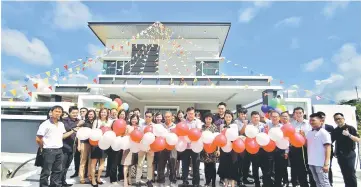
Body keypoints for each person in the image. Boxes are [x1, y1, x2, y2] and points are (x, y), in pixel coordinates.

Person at [36, 105, 78, 187]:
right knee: (46, 172)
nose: (58, 113)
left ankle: (54, 185)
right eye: (56, 111)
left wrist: (73, 131)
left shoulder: (61, 124)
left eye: (60, 112)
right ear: (51, 113)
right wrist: (42, 147)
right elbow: (38, 138)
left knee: (57, 171)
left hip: (59, 150)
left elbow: (62, 136)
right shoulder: (45, 124)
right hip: (49, 150)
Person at [332, 112, 360, 187]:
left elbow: (358, 140)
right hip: (340, 155)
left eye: (339, 118)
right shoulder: (336, 130)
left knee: (350, 173)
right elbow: (332, 141)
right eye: (336, 119)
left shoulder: (350, 128)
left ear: (343, 119)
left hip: (349, 154)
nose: (338, 120)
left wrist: (349, 135)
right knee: (344, 173)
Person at [289, 107, 314, 187]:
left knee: (310, 168)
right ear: (294, 114)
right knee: (300, 169)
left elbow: (313, 135)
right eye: (296, 113)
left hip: (308, 147)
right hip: (296, 149)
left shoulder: (309, 123)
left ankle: (313, 184)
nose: (298, 114)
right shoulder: (292, 124)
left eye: (300, 112)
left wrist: (304, 136)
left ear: (304, 113)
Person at [306, 113, 332, 187]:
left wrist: (326, 164)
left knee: (324, 182)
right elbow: (307, 145)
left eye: (313, 120)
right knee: (317, 182)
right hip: (312, 162)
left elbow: (328, 148)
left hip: (320, 163)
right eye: (310, 120)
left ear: (321, 121)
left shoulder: (324, 133)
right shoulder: (309, 132)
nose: (311, 122)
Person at [61, 106, 84, 186]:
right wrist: (77, 124)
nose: (75, 114)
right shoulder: (64, 120)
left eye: (76, 113)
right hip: (65, 147)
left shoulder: (78, 120)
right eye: (73, 113)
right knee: (62, 166)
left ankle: (63, 182)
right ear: (69, 112)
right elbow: (68, 128)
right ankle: (59, 182)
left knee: (67, 166)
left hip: (73, 147)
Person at [248, 111, 272, 187]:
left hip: (263, 149)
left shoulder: (264, 126)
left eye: (257, 117)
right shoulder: (249, 127)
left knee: (265, 168)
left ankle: (265, 183)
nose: (256, 119)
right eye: (254, 117)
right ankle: (257, 183)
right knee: (255, 168)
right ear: (251, 118)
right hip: (254, 150)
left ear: (259, 117)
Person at [90, 108, 113, 187]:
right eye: (102, 112)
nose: (103, 114)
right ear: (100, 113)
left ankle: (98, 178)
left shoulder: (110, 122)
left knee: (102, 162)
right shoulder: (96, 121)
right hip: (96, 144)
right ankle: (93, 179)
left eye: (105, 112)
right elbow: (93, 132)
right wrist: (100, 127)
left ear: (107, 113)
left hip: (105, 144)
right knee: (94, 163)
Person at [181, 107, 203, 187]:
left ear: (194, 114)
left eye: (192, 113)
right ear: (186, 113)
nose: (191, 115)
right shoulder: (183, 122)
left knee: (196, 165)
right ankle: (185, 181)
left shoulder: (198, 121)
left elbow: (198, 131)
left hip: (195, 147)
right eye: (189, 113)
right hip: (185, 147)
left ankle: (196, 182)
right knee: (184, 165)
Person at [218, 110, 239, 187]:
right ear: (224, 117)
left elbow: (235, 136)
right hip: (224, 148)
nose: (228, 118)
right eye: (226, 116)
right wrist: (218, 149)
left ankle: (232, 183)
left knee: (233, 165)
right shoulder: (221, 126)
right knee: (224, 165)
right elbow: (220, 138)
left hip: (233, 148)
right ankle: (226, 182)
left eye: (229, 116)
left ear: (232, 117)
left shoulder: (235, 125)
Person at [157, 111, 177, 185]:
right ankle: (161, 180)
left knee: (173, 163)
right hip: (162, 147)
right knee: (161, 164)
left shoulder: (175, 126)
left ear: (172, 117)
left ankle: (172, 180)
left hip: (172, 148)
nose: (167, 118)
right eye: (165, 117)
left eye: (168, 116)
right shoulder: (161, 126)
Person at [135, 111, 155, 187]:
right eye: (146, 116)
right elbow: (138, 136)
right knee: (140, 164)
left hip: (151, 148)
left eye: (149, 116)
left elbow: (156, 137)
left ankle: (149, 180)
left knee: (150, 165)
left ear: (152, 117)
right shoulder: (141, 125)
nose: (148, 118)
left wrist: (153, 148)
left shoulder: (154, 126)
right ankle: (137, 180)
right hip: (142, 147)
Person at [234, 108, 253, 186]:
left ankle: (245, 178)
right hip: (240, 145)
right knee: (240, 164)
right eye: (242, 114)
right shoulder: (236, 122)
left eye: (245, 114)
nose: (243, 115)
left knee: (246, 163)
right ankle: (239, 180)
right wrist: (245, 124)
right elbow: (241, 132)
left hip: (247, 145)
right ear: (239, 114)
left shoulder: (248, 122)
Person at [269, 111, 288, 187]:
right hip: (269, 149)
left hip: (280, 149)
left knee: (280, 167)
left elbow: (287, 140)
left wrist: (286, 151)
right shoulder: (267, 126)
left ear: (279, 118)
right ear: (270, 117)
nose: (274, 118)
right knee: (270, 168)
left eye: (276, 116)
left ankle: (279, 183)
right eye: (273, 116)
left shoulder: (282, 127)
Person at [200, 112, 219, 187]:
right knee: (206, 167)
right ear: (204, 119)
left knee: (213, 167)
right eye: (206, 118)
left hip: (213, 149)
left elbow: (218, 139)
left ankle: (213, 182)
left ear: (212, 120)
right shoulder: (202, 127)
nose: (208, 120)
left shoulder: (215, 127)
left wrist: (218, 149)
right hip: (204, 150)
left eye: (209, 119)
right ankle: (207, 181)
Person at [122, 114, 140, 187]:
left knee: (132, 164)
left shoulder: (138, 128)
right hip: (128, 147)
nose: (134, 120)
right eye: (133, 119)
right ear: (130, 119)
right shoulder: (127, 127)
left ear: (138, 120)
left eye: (135, 119)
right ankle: (125, 180)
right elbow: (124, 136)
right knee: (126, 164)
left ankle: (130, 178)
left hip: (136, 148)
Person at [316, 111, 334, 186]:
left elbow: (333, 138)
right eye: (320, 117)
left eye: (323, 117)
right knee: (318, 167)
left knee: (328, 166)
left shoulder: (330, 127)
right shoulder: (314, 127)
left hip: (328, 150)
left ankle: (330, 182)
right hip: (317, 151)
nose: (322, 119)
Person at [71, 107, 89, 178]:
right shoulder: (77, 120)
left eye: (83, 111)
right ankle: (76, 171)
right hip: (76, 142)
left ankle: (85, 173)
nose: (82, 113)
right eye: (81, 111)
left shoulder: (87, 121)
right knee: (77, 157)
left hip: (84, 142)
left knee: (85, 158)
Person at [78, 109, 95, 184]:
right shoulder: (84, 123)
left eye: (92, 114)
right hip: (84, 143)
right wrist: (79, 144)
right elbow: (79, 134)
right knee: (83, 160)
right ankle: (81, 177)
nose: (90, 115)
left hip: (93, 144)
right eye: (89, 114)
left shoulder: (96, 123)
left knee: (91, 161)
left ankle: (90, 176)